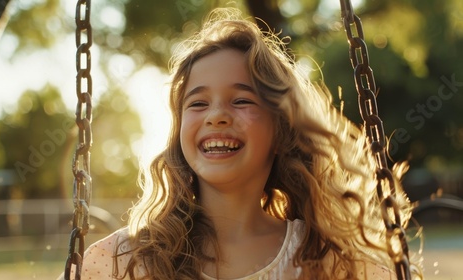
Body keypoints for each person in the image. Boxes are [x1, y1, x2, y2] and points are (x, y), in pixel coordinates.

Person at [60, 7, 423, 280]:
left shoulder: (326, 260)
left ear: (281, 130)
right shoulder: (123, 261)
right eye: (198, 103)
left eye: (242, 100)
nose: (216, 116)